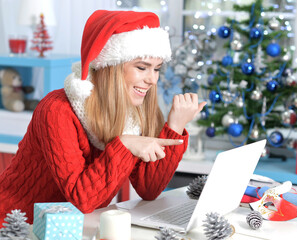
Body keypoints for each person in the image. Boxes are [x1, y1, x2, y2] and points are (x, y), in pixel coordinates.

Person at [0, 10, 206, 224]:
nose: (152, 80)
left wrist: (174, 125)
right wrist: (124, 145)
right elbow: (83, 199)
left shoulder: (133, 113)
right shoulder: (57, 109)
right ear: (110, 68)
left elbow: (149, 189)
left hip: (74, 228)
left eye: (156, 69)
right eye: (142, 68)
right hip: (16, 227)